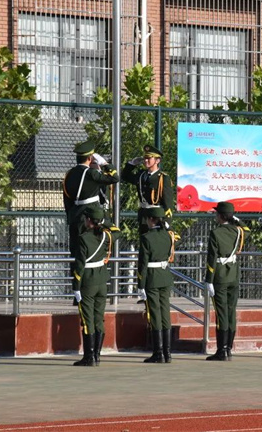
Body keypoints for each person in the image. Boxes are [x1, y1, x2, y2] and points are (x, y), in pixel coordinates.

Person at [63, 141, 119, 305]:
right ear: (90, 158)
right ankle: (91, 290)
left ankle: (77, 293)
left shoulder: (69, 174)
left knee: (76, 253)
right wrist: (105, 163)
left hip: (75, 216)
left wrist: (72, 216)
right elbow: (114, 178)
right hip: (90, 216)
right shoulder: (91, 174)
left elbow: (67, 200)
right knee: (92, 252)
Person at [72, 207, 120, 366]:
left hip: (87, 282)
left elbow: (79, 265)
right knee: (99, 319)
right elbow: (117, 231)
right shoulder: (106, 236)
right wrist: (104, 221)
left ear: (88, 220)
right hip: (101, 281)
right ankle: (97, 355)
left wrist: (76, 287)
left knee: (87, 320)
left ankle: (89, 357)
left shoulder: (84, 238)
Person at [204, 202, 249, 361]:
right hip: (233, 275)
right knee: (231, 312)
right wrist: (235, 219)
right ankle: (228, 348)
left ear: (221, 216)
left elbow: (212, 258)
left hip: (220, 276)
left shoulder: (216, 233)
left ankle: (221, 350)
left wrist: (208, 280)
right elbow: (247, 230)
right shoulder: (238, 231)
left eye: (217, 213)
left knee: (222, 313)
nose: (215, 216)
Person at [137, 207, 176, 363]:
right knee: (165, 313)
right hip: (165, 276)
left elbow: (142, 264)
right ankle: (167, 352)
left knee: (155, 314)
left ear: (151, 220)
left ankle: (158, 353)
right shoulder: (168, 236)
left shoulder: (146, 238)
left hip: (152, 278)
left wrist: (140, 285)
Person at [122, 145, 175, 235]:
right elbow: (125, 176)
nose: (146, 160)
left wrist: (167, 221)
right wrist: (131, 164)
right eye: (145, 158)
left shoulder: (163, 178)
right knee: (144, 239)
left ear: (157, 161)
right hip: (143, 214)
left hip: (156, 216)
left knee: (154, 240)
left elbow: (168, 201)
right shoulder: (141, 175)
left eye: (149, 158)